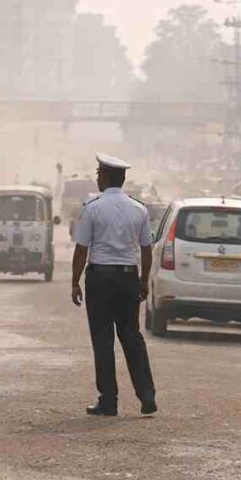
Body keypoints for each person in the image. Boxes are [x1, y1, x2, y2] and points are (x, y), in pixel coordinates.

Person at [70, 154, 157, 418]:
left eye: (99, 174)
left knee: (103, 341)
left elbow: (81, 249)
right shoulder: (139, 209)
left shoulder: (92, 207)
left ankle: (109, 401)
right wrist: (143, 281)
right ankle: (147, 396)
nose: (97, 178)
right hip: (128, 279)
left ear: (106, 177)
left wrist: (74, 282)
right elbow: (146, 249)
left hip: (100, 279)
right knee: (132, 337)